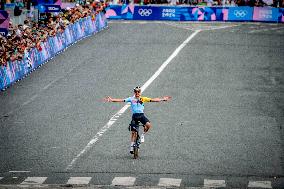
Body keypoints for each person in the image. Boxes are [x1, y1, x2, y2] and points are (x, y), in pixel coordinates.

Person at [105, 86, 172, 154]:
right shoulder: (131, 99)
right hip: (135, 117)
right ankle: (131, 147)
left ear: (140, 92)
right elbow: (121, 100)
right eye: (136, 91)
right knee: (133, 132)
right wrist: (112, 99)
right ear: (134, 92)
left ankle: (143, 135)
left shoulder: (143, 99)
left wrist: (163, 99)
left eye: (138, 91)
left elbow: (153, 100)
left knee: (148, 125)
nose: (137, 93)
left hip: (141, 116)